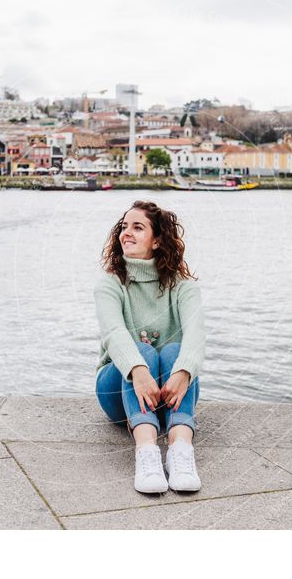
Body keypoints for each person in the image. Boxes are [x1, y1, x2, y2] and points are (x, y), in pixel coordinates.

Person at [94, 200, 205, 493]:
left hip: (168, 393)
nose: (126, 233)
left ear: (157, 241)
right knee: (140, 351)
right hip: (117, 388)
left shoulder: (183, 287)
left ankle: (181, 452)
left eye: (137, 227)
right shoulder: (111, 283)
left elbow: (196, 335)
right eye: (123, 227)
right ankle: (147, 454)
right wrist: (138, 370)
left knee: (174, 352)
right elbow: (113, 333)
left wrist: (183, 372)